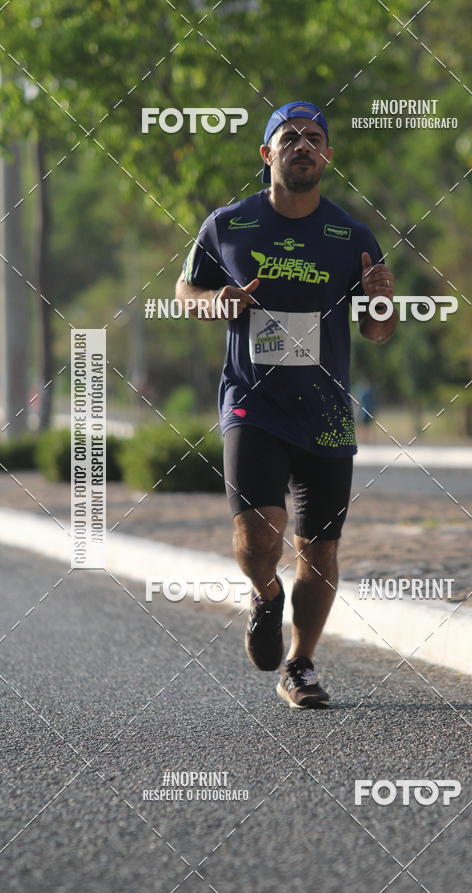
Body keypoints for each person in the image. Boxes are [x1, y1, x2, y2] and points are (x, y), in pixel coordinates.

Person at [175, 100, 397, 708]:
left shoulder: (351, 236)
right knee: (258, 538)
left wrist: (382, 300)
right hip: (253, 403)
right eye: (290, 137)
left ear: (326, 156)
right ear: (268, 154)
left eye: (315, 138)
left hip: (326, 412)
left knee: (320, 549)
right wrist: (212, 300)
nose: (304, 146)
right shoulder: (229, 225)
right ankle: (265, 593)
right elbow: (185, 289)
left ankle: (300, 664)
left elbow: (379, 332)